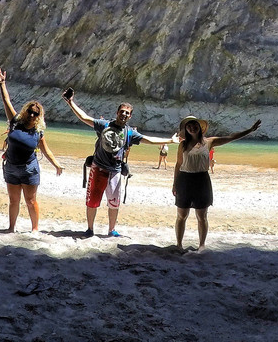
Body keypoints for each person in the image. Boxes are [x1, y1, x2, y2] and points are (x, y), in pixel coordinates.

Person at [63, 90, 178, 238]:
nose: (124, 114)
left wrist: (169, 141)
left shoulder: (130, 133)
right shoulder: (104, 125)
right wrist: (70, 102)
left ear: (130, 116)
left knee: (114, 203)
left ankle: (112, 230)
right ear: (117, 112)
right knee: (92, 201)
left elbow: (149, 140)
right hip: (98, 168)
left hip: (115, 171)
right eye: (122, 111)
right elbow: (84, 117)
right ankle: (90, 229)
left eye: (127, 113)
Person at [173, 115, 261, 252]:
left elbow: (231, 137)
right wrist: (174, 184)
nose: (192, 127)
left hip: (202, 180)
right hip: (184, 180)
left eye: (194, 125)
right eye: (188, 126)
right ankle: (179, 245)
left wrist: (249, 130)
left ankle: (201, 245)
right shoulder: (182, 145)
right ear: (186, 129)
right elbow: (178, 165)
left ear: (200, 127)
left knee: (202, 216)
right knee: (181, 215)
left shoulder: (209, 142)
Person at [0, 68, 63, 232]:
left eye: (35, 113)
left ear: (39, 116)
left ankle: (35, 229)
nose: (31, 115)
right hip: (11, 167)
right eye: (30, 111)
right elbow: (6, 101)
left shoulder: (38, 132)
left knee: (31, 201)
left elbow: (46, 151)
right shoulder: (15, 121)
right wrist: (2, 83)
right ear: (26, 111)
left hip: (29, 169)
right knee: (13, 200)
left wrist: (57, 165)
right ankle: (11, 228)